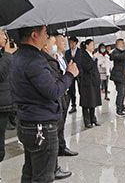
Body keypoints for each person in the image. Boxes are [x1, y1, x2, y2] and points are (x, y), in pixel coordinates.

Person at [10, 25, 79, 182]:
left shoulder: (19, 55)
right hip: (41, 126)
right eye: (46, 33)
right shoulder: (34, 60)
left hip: (27, 122)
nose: (48, 37)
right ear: (35, 35)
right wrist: (70, 74)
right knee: (43, 177)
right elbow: (53, 91)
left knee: (29, 172)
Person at [40, 34, 73, 180]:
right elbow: (54, 85)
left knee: (60, 127)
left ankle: (61, 147)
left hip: (63, 95)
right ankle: (53, 168)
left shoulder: (59, 56)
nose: (63, 42)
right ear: (46, 45)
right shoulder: (45, 61)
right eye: (57, 41)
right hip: (55, 98)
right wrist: (70, 75)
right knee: (52, 135)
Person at [53, 34, 79, 157]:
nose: (64, 42)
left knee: (62, 122)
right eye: (61, 40)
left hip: (66, 92)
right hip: (58, 92)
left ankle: (62, 146)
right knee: (58, 123)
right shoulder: (53, 57)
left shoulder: (62, 56)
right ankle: (57, 148)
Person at [0, 29, 16, 176]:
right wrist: (7, 54)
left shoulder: (3, 54)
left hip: (5, 105)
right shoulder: (5, 54)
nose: (5, 37)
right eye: (1, 34)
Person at [80, 39, 102, 128]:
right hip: (86, 82)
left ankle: (93, 119)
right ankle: (87, 121)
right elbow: (87, 67)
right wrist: (93, 60)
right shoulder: (83, 55)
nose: (93, 46)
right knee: (86, 102)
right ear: (87, 46)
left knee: (93, 101)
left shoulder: (92, 55)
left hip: (93, 81)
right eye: (92, 44)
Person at [110, 39, 125, 117]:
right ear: (117, 44)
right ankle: (118, 110)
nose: (123, 44)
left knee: (124, 92)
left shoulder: (123, 52)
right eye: (122, 43)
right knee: (121, 92)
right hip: (118, 76)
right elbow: (120, 57)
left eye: (124, 43)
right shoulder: (115, 52)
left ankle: (122, 106)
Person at [65, 36, 81, 114]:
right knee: (72, 90)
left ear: (75, 43)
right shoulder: (67, 52)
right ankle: (73, 105)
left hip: (79, 73)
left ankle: (83, 104)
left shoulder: (80, 51)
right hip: (71, 73)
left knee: (81, 89)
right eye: (69, 42)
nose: (70, 44)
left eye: (72, 42)